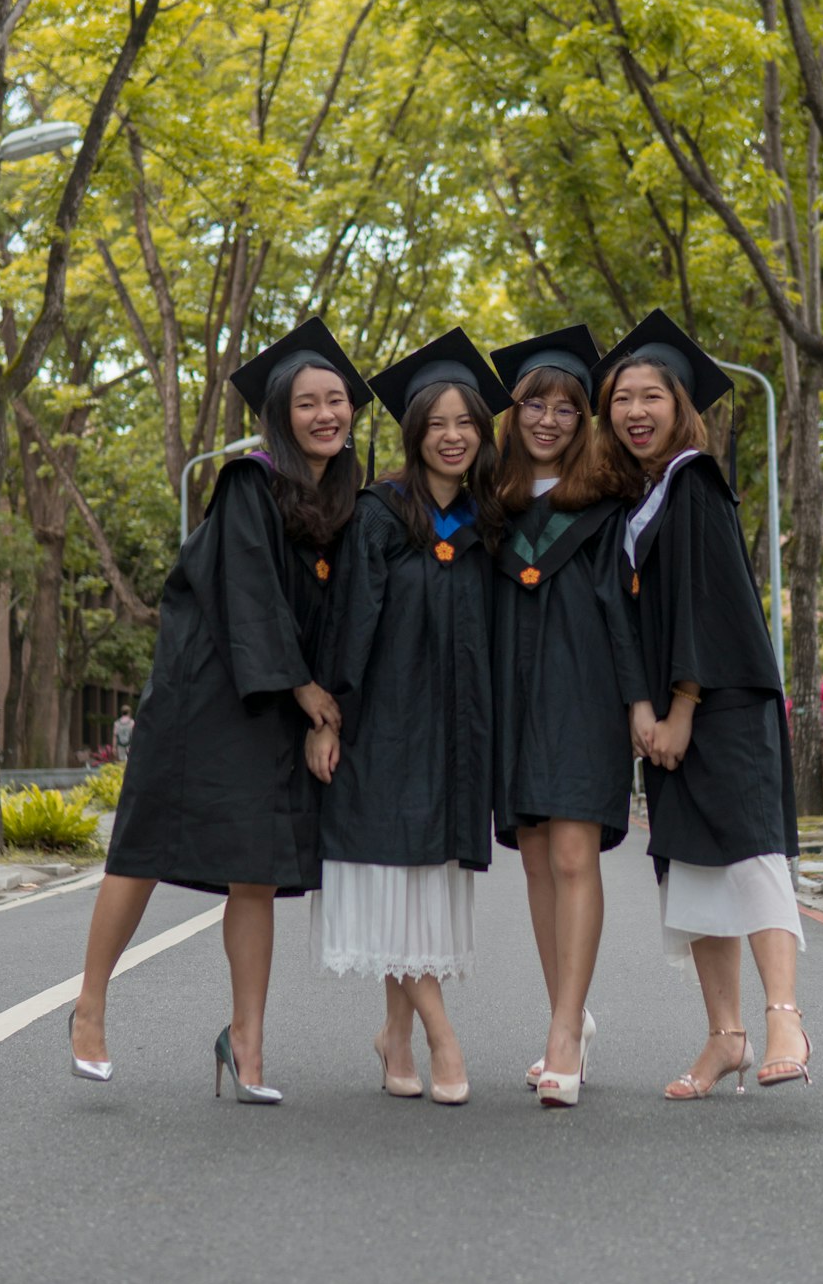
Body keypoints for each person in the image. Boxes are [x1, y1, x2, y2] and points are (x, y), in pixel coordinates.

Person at [68, 318, 371, 1102]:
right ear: (280, 412)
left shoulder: (344, 497)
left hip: (274, 700)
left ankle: (247, 1044)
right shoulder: (249, 481)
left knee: (257, 874)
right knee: (143, 848)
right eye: (306, 403)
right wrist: (310, 698)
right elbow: (250, 598)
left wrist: (323, 710)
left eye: (336, 400)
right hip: (206, 696)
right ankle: (90, 1009)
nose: (325, 414)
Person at [594, 308, 808, 1099]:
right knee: (692, 871)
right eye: (621, 399)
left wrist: (679, 708)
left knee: (750, 857)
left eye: (651, 395)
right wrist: (638, 713)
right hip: (666, 721)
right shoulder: (633, 502)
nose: (635, 411)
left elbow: (706, 609)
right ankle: (726, 1035)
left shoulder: (697, 486)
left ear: (681, 407)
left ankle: (784, 1015)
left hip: (724, 708)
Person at [306, 329, 508, 1105]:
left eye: (466, 424)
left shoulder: (489, 524)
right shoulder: (380, 514)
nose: (453, 437)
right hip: (387, 726)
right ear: (415, 432)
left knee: (419, 884)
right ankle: (440, 1036)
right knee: (398, 871)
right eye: (438, 424)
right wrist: (328, 718)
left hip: (455, 729)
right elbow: (349, 621)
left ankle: (393, 1039)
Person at [489, 326, 636, 1108]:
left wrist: (641, 700)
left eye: (567, 408)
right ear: (511, 413)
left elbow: (625, 611)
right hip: (513, 695)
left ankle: (562, 1037)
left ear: (585, 421)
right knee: (537, 859)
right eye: (534, 404)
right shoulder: (492, 507)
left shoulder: (609, 506)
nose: (549, 419)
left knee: (576, 855)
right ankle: (566, 1017)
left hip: (584, 693)